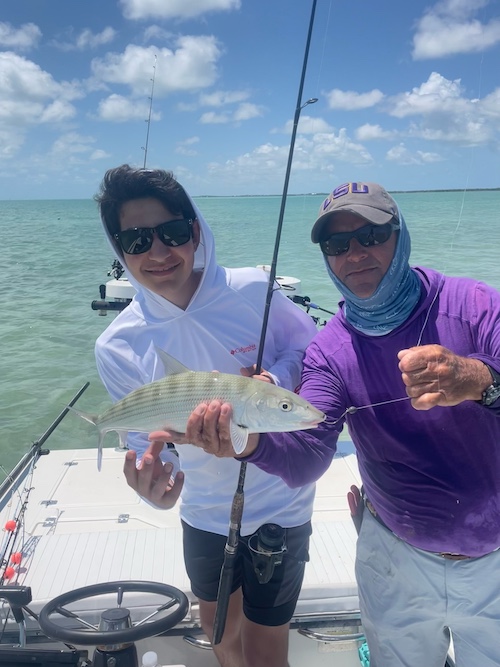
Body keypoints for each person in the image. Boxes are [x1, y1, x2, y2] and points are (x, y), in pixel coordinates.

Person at [153, 181, 500, 667]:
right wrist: (247, 444)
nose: (354, 254)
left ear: (400, 234)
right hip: (395, 558)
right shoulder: (328, 351)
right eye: (336, 245)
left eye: (371, 235)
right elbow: (309, 456)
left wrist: (480, 379)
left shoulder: (474, 303)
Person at [93, 164, 319, 667]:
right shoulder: (117, 345)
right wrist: (152, 485)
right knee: (219, 634)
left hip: (282, 501)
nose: (158, 252)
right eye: (136, 240)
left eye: (172, 232)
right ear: (119, 249)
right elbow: (149, 444)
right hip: (206, 512)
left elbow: (312, 352)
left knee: (267, 647)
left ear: (195, 231)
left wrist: (275, 379)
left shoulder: (253, 290)